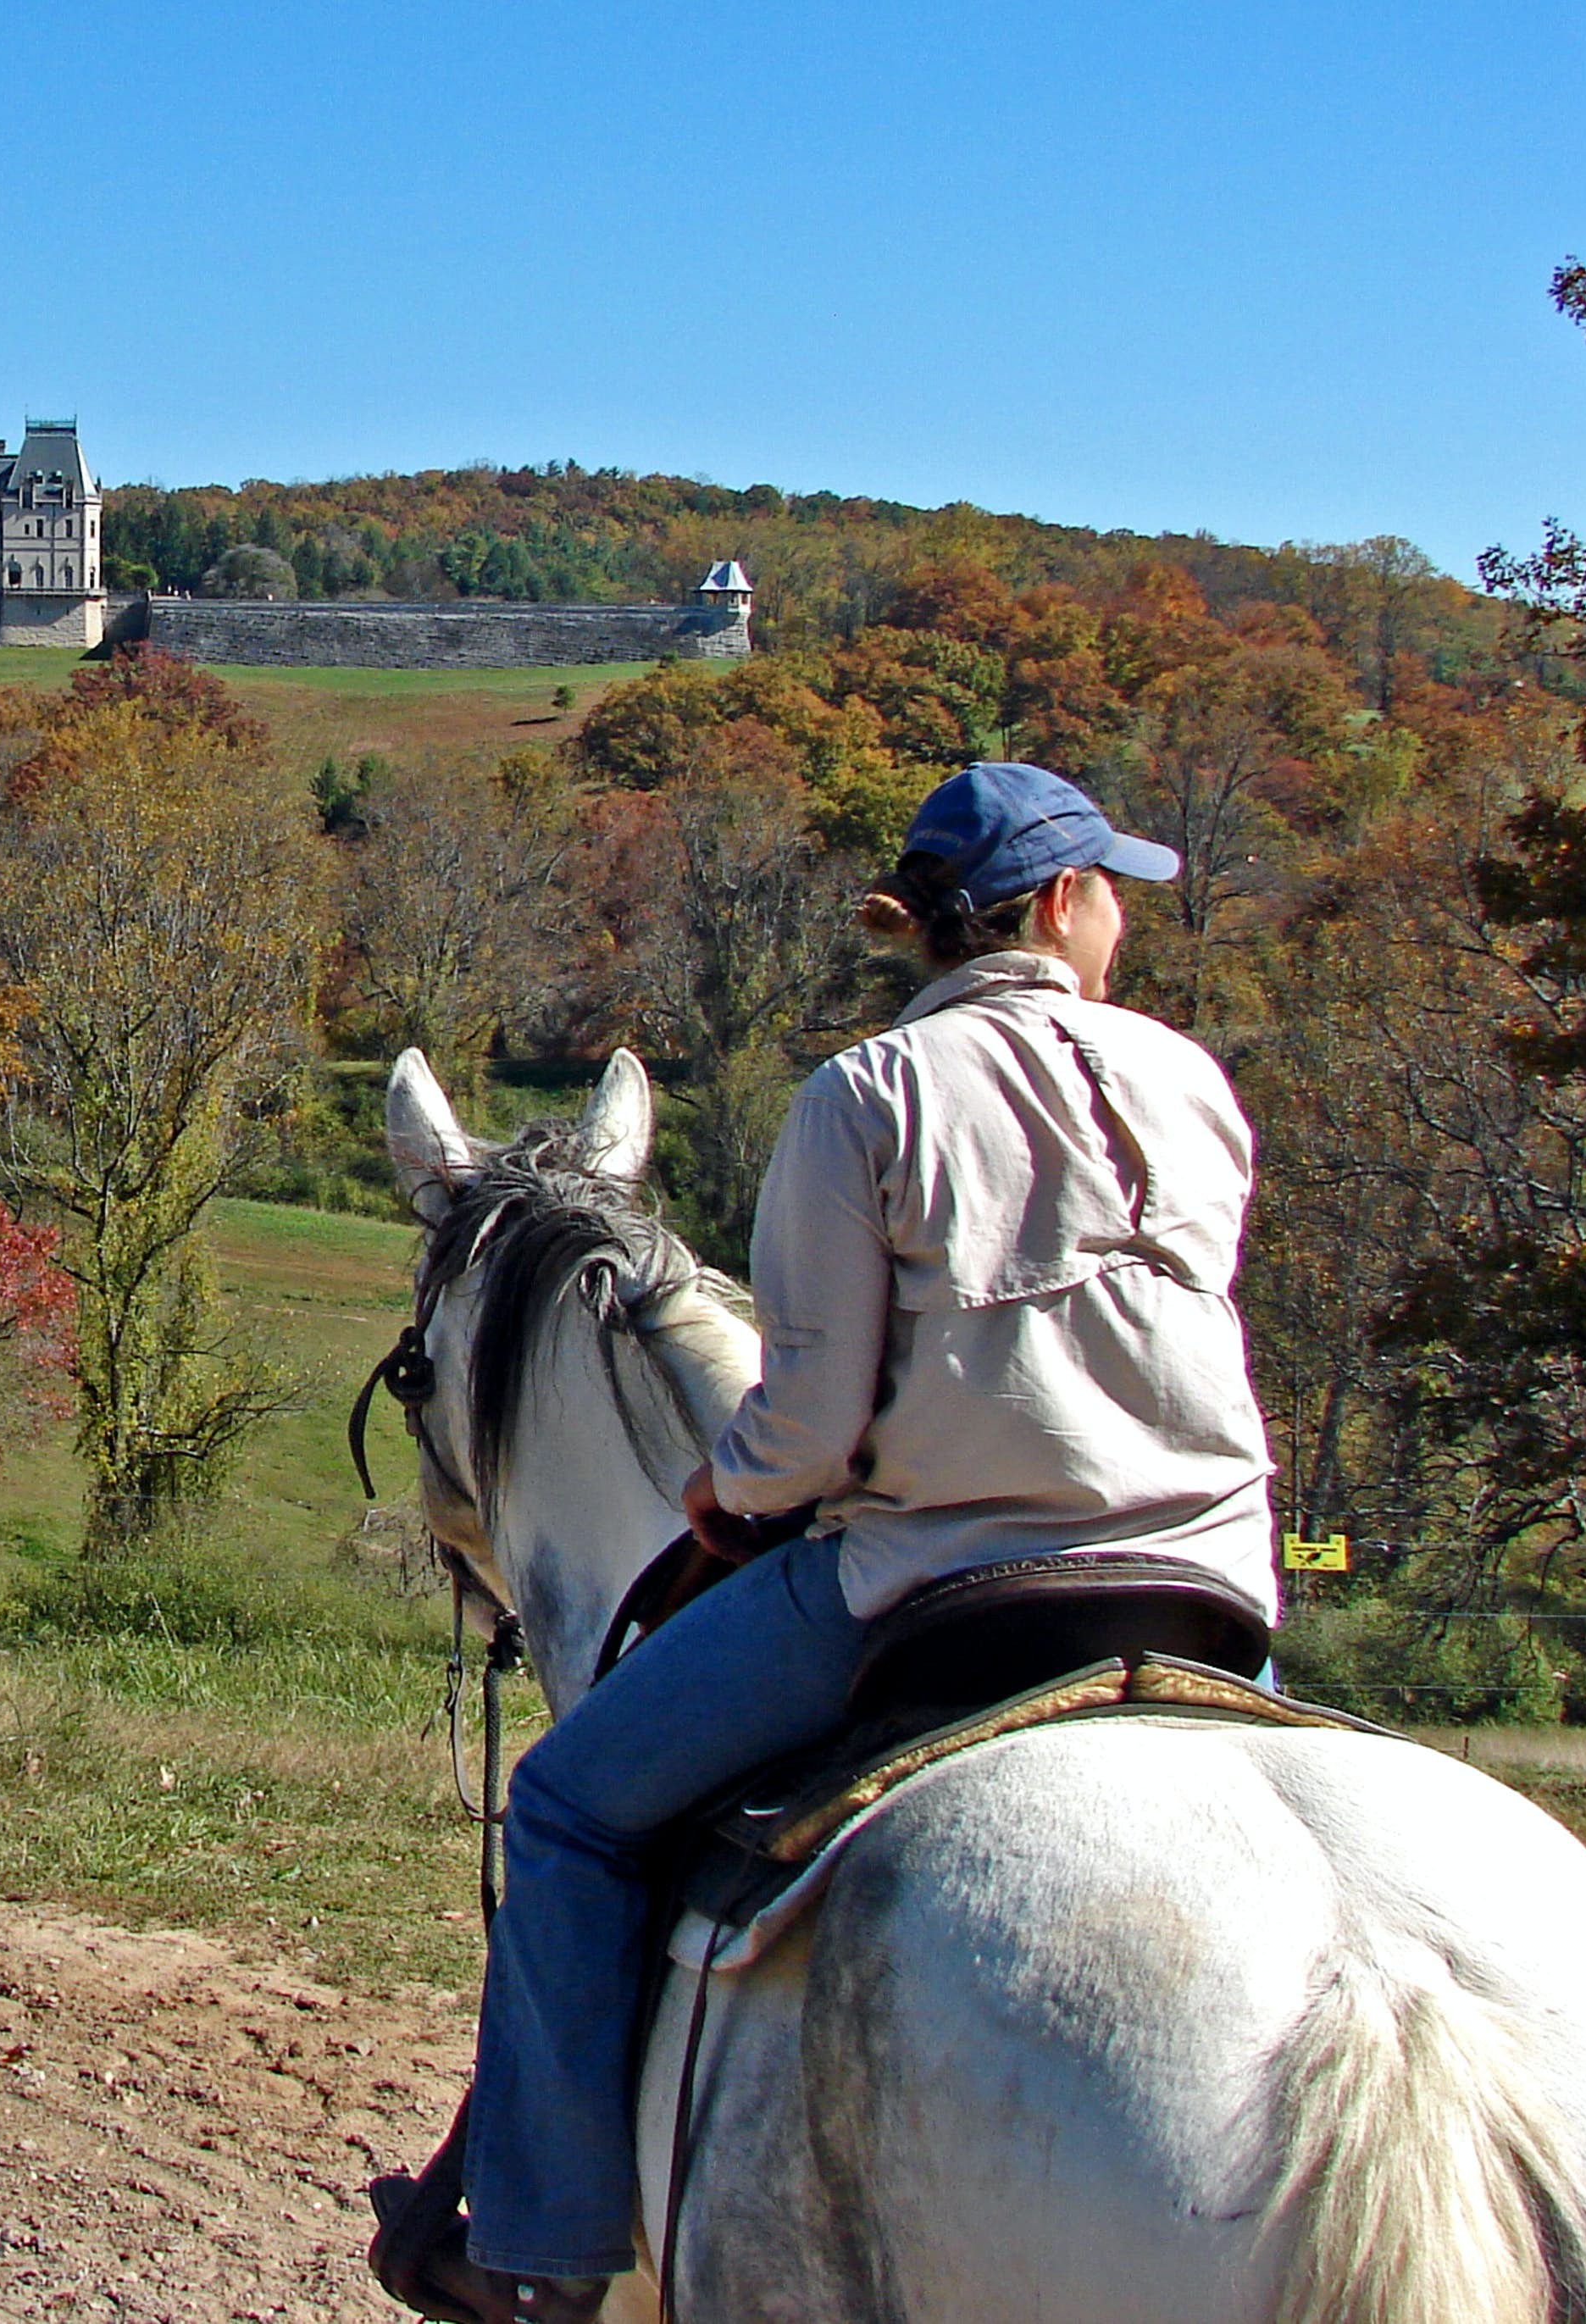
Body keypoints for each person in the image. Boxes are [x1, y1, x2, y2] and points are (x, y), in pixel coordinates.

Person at [396, 762, 1279, 2324]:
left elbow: (805, 1432)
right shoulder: (1193, 1085)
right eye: (1115, 891)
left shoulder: (866, 1096)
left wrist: (724, 1496)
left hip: (936, 1591)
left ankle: (530, 2260)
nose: (1124, 918)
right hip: (1211, 1588)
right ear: (1066, 905)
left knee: (571, 1806)